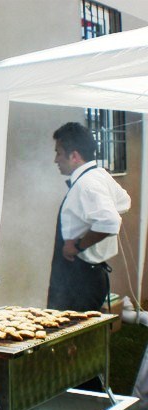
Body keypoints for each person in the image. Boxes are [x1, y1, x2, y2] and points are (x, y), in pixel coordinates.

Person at [47, 122, 131, 311]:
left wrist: (77, 245)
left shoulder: (87, 184)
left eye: (58, 153)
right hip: (88, 275)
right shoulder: (99, 175)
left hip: (79, 280)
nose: (56, 160)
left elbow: (110, 222)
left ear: (74, 156)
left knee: (68, 327)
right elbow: (124, 202)